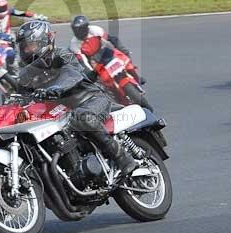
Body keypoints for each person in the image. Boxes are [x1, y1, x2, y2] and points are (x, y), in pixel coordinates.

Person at [15, 20, 139, 177]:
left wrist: (56, 89)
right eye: (23, 47)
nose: (26, 50)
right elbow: (20, 97)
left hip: (90, 99)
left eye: (30, 45)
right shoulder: (25, 74)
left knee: (82, 117)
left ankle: (123, 158)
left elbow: (73, 75)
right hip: (60, 113)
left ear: (43, 42)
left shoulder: (61, 55)